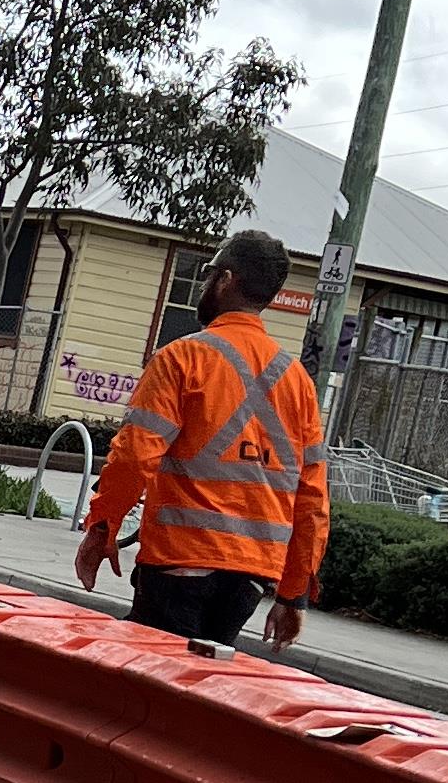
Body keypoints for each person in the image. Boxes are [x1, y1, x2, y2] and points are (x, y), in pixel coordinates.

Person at [76, 225, 326, 650]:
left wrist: (102, 527)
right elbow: (312, 497)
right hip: (247, 580)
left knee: (147, 684)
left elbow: (135, 456)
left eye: (209, 274)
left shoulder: (181, 358)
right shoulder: (298, 382)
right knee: (197, 685)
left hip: (180, 561)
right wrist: (293, 594)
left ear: (225, 281)